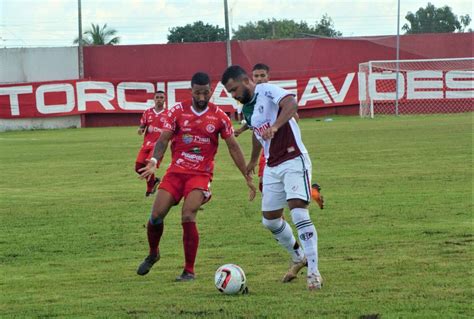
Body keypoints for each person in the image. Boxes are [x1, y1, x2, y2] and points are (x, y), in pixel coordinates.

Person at [137, 72, 256, 281]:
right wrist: (154, 162)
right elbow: (163, 139)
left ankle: (189, 270)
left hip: (200, 174)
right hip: (176, 172)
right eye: (197, 93)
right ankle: (153, 253)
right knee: (156, 217)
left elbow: (233, 147)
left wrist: (246, 173)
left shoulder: (219, 116)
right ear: (191, 90)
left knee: (188, 214)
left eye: (205, 93)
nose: (202, 97)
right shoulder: (177, 111)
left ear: (211, 91)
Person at [221, 65, 323, 290]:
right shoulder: (246, 108)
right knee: (270, 219)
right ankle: (298, 257)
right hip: (272, 165)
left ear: (246, 80)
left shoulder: (266, 90)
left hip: (293, 158)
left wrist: (276, 126)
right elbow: (258, 135)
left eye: (234, 89)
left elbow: (291, 104)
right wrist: (252, 161)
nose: (234, 95)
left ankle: (314, 273)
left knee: (297, 211)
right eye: (230, 93)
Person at [135, 90, 167, 197]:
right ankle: (154, 181)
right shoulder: (147, 112)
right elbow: (142, 126)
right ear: (154, 99)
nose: (159, 99)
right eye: (157, 97)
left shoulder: (168, 114)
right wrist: (140, 130)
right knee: (138, 167)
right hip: (146, 145)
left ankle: (149, 191)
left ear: (164, 99)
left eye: (161, 97)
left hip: (158, 146)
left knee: (149, 166)